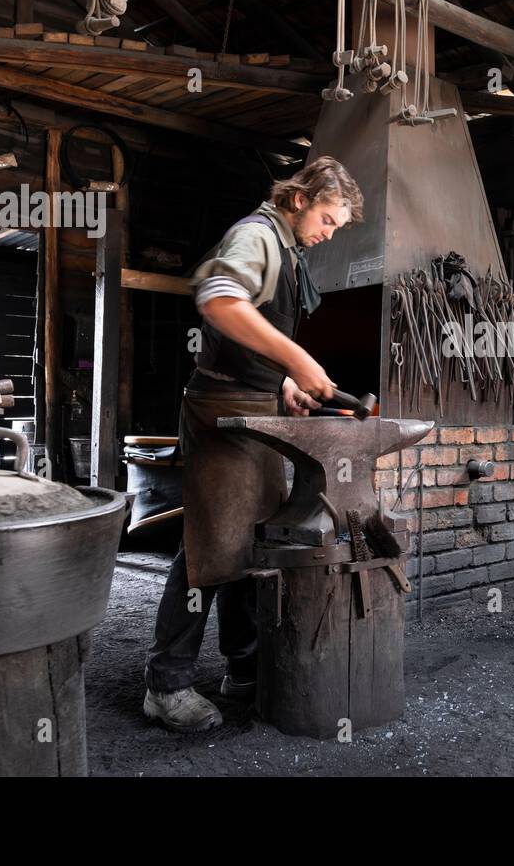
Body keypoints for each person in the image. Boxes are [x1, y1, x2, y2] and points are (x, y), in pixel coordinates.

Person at [142, 156, 363, 732]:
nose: (329, 232)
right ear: (299, 200)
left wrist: (284, 383)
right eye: (328, 218)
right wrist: (298, 359)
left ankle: (242, 666)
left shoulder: (287, 250)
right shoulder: (256, 235)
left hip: (256, 408)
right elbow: (218, 299)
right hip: (223, 413)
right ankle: (166, 685)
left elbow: (250, 340)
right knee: (210, 546)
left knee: (252, 541)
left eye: (337, 226)